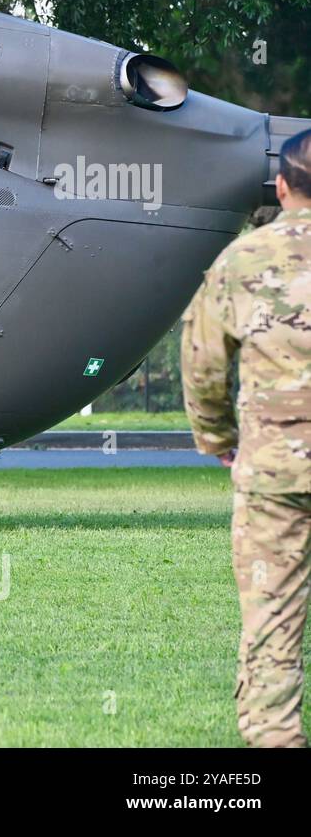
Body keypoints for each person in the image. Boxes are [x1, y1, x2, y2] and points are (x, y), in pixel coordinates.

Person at [181, 126, 311, 748]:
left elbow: (203, 361)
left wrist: (219, 440)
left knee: (272, 626)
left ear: (282, 186)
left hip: (273, 477)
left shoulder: (244, 259)